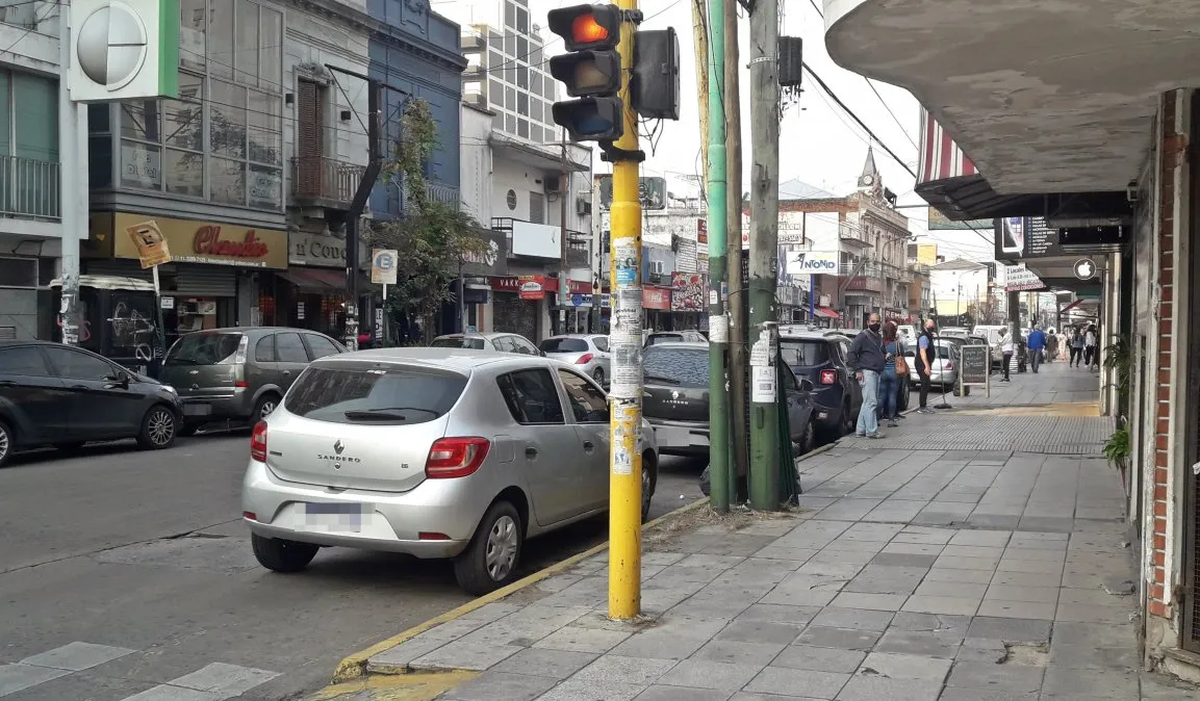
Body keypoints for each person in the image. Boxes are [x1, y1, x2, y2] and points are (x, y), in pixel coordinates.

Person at [846, 312, 887, 438]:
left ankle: (861, 429)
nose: (875, 323)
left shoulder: (878, 337)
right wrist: (858, 370)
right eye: (873, 321)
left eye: (878, 321)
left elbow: (882, 351)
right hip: (867, 372)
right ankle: (871, 431)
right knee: (871, 402)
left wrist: (885, 357)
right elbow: (851, 353)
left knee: (867, 402)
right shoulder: (862, 336)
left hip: (876, 371)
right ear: (868, 322)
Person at [878, 321, 903, 428]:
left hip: (882, 371)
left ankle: (876, 418)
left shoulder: (880, 343)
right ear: (894, 331)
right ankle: (891, 419)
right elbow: (901, 356)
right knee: (892, 395)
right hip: (894, 372)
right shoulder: (897, 344)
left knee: (881, 396)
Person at [915, 318, 936, 414]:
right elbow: (922, 352)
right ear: (925, 326)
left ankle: (924, 405)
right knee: (925, 384)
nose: (931, 327)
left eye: (933, 326)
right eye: (929, 326)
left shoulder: (928, 335)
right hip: (922, 363)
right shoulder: (923, 337)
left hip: (925, 363)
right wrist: (926, 366)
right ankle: (922, 407)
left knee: (927, 384)